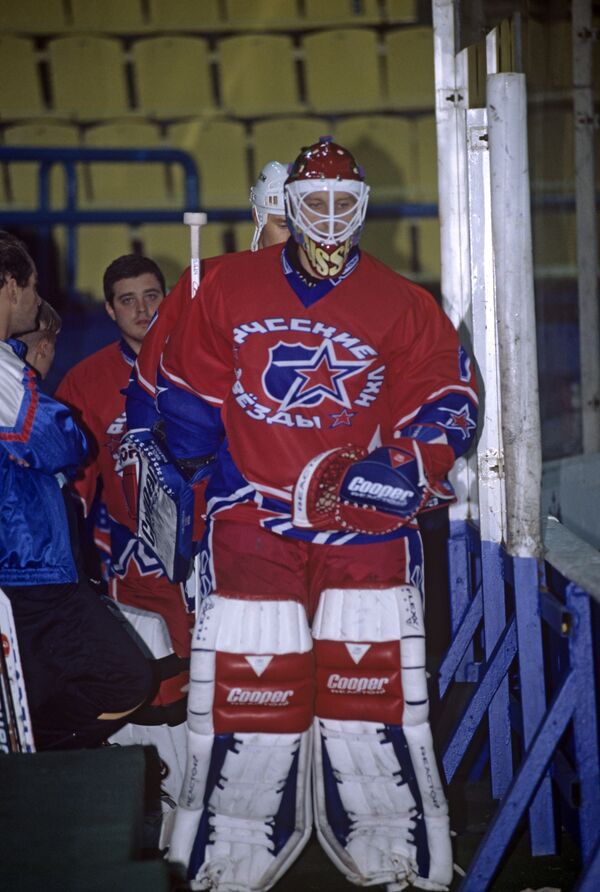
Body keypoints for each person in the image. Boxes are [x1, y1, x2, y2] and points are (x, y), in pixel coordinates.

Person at [147, 137, 479, 891]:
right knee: (248, 682)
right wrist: (194, 450)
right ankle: (234, 838)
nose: (329, 218)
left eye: (343, 203)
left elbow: (447, 401)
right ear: (286, 208)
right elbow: (186, 388)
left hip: (361, 525)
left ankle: (390, 836)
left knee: (372, 688)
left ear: (363, 208)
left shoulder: (404, 302)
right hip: (255, 515)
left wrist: (404, 464)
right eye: (314, 203)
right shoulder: (224, 284)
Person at [0, 231, 155, 751]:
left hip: (31, 566)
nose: (37, 300)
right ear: (9, 285)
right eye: (33, 286)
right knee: (123, 678)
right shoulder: (2, 370)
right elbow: (59, 442)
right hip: (25, 569)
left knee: (56, 691)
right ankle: (23, 743)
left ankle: (26, 748)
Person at [54, 254, 195, 663]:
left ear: (168, 300)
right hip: (138, 563)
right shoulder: (84, 381)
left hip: (212, 552)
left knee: (217, 681)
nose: (143, 310)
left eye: (151, 296)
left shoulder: (208, 365)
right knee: (158, 695)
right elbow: (74, 488)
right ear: (110, 310)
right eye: (128, 300)